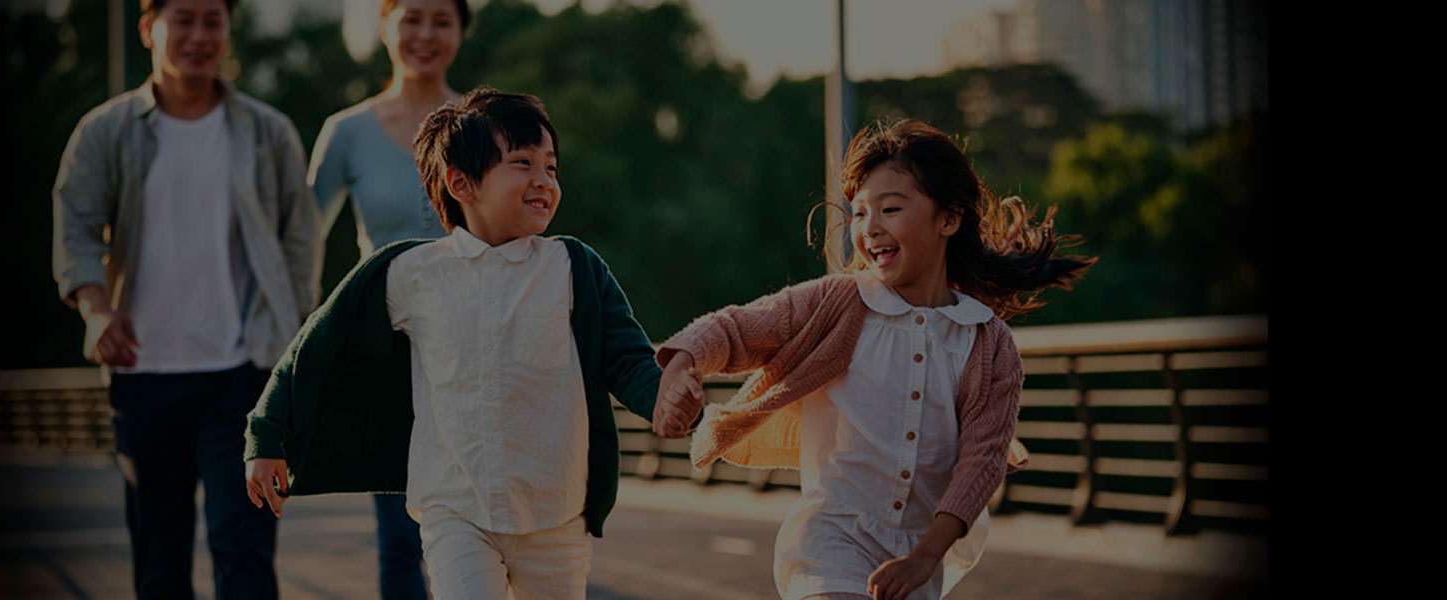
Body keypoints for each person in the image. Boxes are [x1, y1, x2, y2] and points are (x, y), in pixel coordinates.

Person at [242, 87, 697, 600]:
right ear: (461, 183)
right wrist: (268, 433)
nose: (543, 180)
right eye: (522, 164)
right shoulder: (411, 272)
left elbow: (627, 358)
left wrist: (664, 395)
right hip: (455, 510)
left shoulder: (574, 269)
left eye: (551, 167)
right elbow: (315, 347)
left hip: (556, 514)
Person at [653, 118, 1092, 600]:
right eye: (859, 213)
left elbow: (982, 461)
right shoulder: (837, 302)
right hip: (831, 537)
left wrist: (926, 557)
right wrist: (681, 366)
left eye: (890, 208)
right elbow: (733, 327)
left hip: (919, 554)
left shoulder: (986, 342)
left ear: (948, 219)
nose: (869, 229)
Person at [50, 0, 319, 597]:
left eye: (213, 21)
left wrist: (295, 345)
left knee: (243, 547)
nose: (200, 36)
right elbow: (75, 225)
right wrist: (96, 308)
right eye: (185, 20)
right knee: (160, 557)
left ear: (228, 30)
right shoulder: (105, 130)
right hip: (144, 373)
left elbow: (300, 242)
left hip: (244, 373)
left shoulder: (267, 131)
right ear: (149, 28)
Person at [304, 1, 472, 595]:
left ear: (461, 31)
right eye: (411, 17)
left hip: (483, 350)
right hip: (386, 356)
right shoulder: (345, 131)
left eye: (442, 20)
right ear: (384, 26)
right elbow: (303, 242)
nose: (425, 34)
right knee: (400, 538)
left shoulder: (487, 120)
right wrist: (311, 342)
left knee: (491, 526)